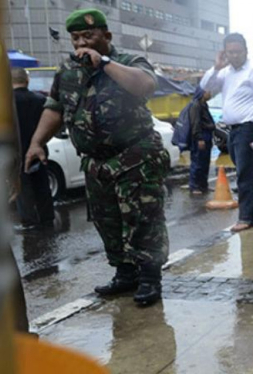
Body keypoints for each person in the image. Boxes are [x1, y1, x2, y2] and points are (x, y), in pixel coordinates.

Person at [24, 9, 170, 306]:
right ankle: (124, 274)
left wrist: (103, 63)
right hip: (96, 162)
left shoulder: (128, 62)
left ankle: (150, 278)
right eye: (75, 38)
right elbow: (54, 108)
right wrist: (37, 142)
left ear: (107, 36)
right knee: (107, 221)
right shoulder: (68, 70)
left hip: (135, 157)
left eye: (87, 36)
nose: (80, 44)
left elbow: (146, 85)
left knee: (143, 219)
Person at [200, 33, 253, 232]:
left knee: (244, 172)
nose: (234, 55)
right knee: (249, 169)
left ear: (246, 51)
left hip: (250, 129)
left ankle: (246, 217)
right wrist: (216, 66)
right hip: (233, 131)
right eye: (230, 52)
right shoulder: (225, 73)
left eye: (238, 51)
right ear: (225, 53)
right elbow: (205, 88)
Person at [11, 68, 55, 230]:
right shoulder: (40, 100)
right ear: (27, 81)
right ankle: (47, 217)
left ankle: (29, 221)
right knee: (42, 185)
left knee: (23, 189)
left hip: (17, 154)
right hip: (39, 150)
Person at [187, 87, 215, 195]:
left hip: (207, 136)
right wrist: (199, 138)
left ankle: (203, 185)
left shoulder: (204, 105)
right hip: (201, 137)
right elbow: (195, 123)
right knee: (197, 162)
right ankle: (194, 186)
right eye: (208, 91)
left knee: (205, 162)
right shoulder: (196, 105)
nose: (210, 93)